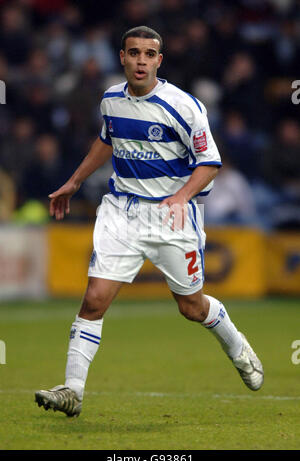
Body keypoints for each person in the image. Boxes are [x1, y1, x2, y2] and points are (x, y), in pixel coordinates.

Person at [35, 26, 263, 418]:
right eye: (133, 53)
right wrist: (74, 182)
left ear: (160, 60)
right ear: (121, 57)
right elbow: (107, 140)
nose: (141, 60)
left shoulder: (183, 106)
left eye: (149, 54)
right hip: (122, 211)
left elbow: (210, 163)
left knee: (191, 306)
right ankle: (73, 390)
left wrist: (181, 196)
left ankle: (238, 348)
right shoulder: (110, 100)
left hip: (173, 216)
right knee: (93, 300)